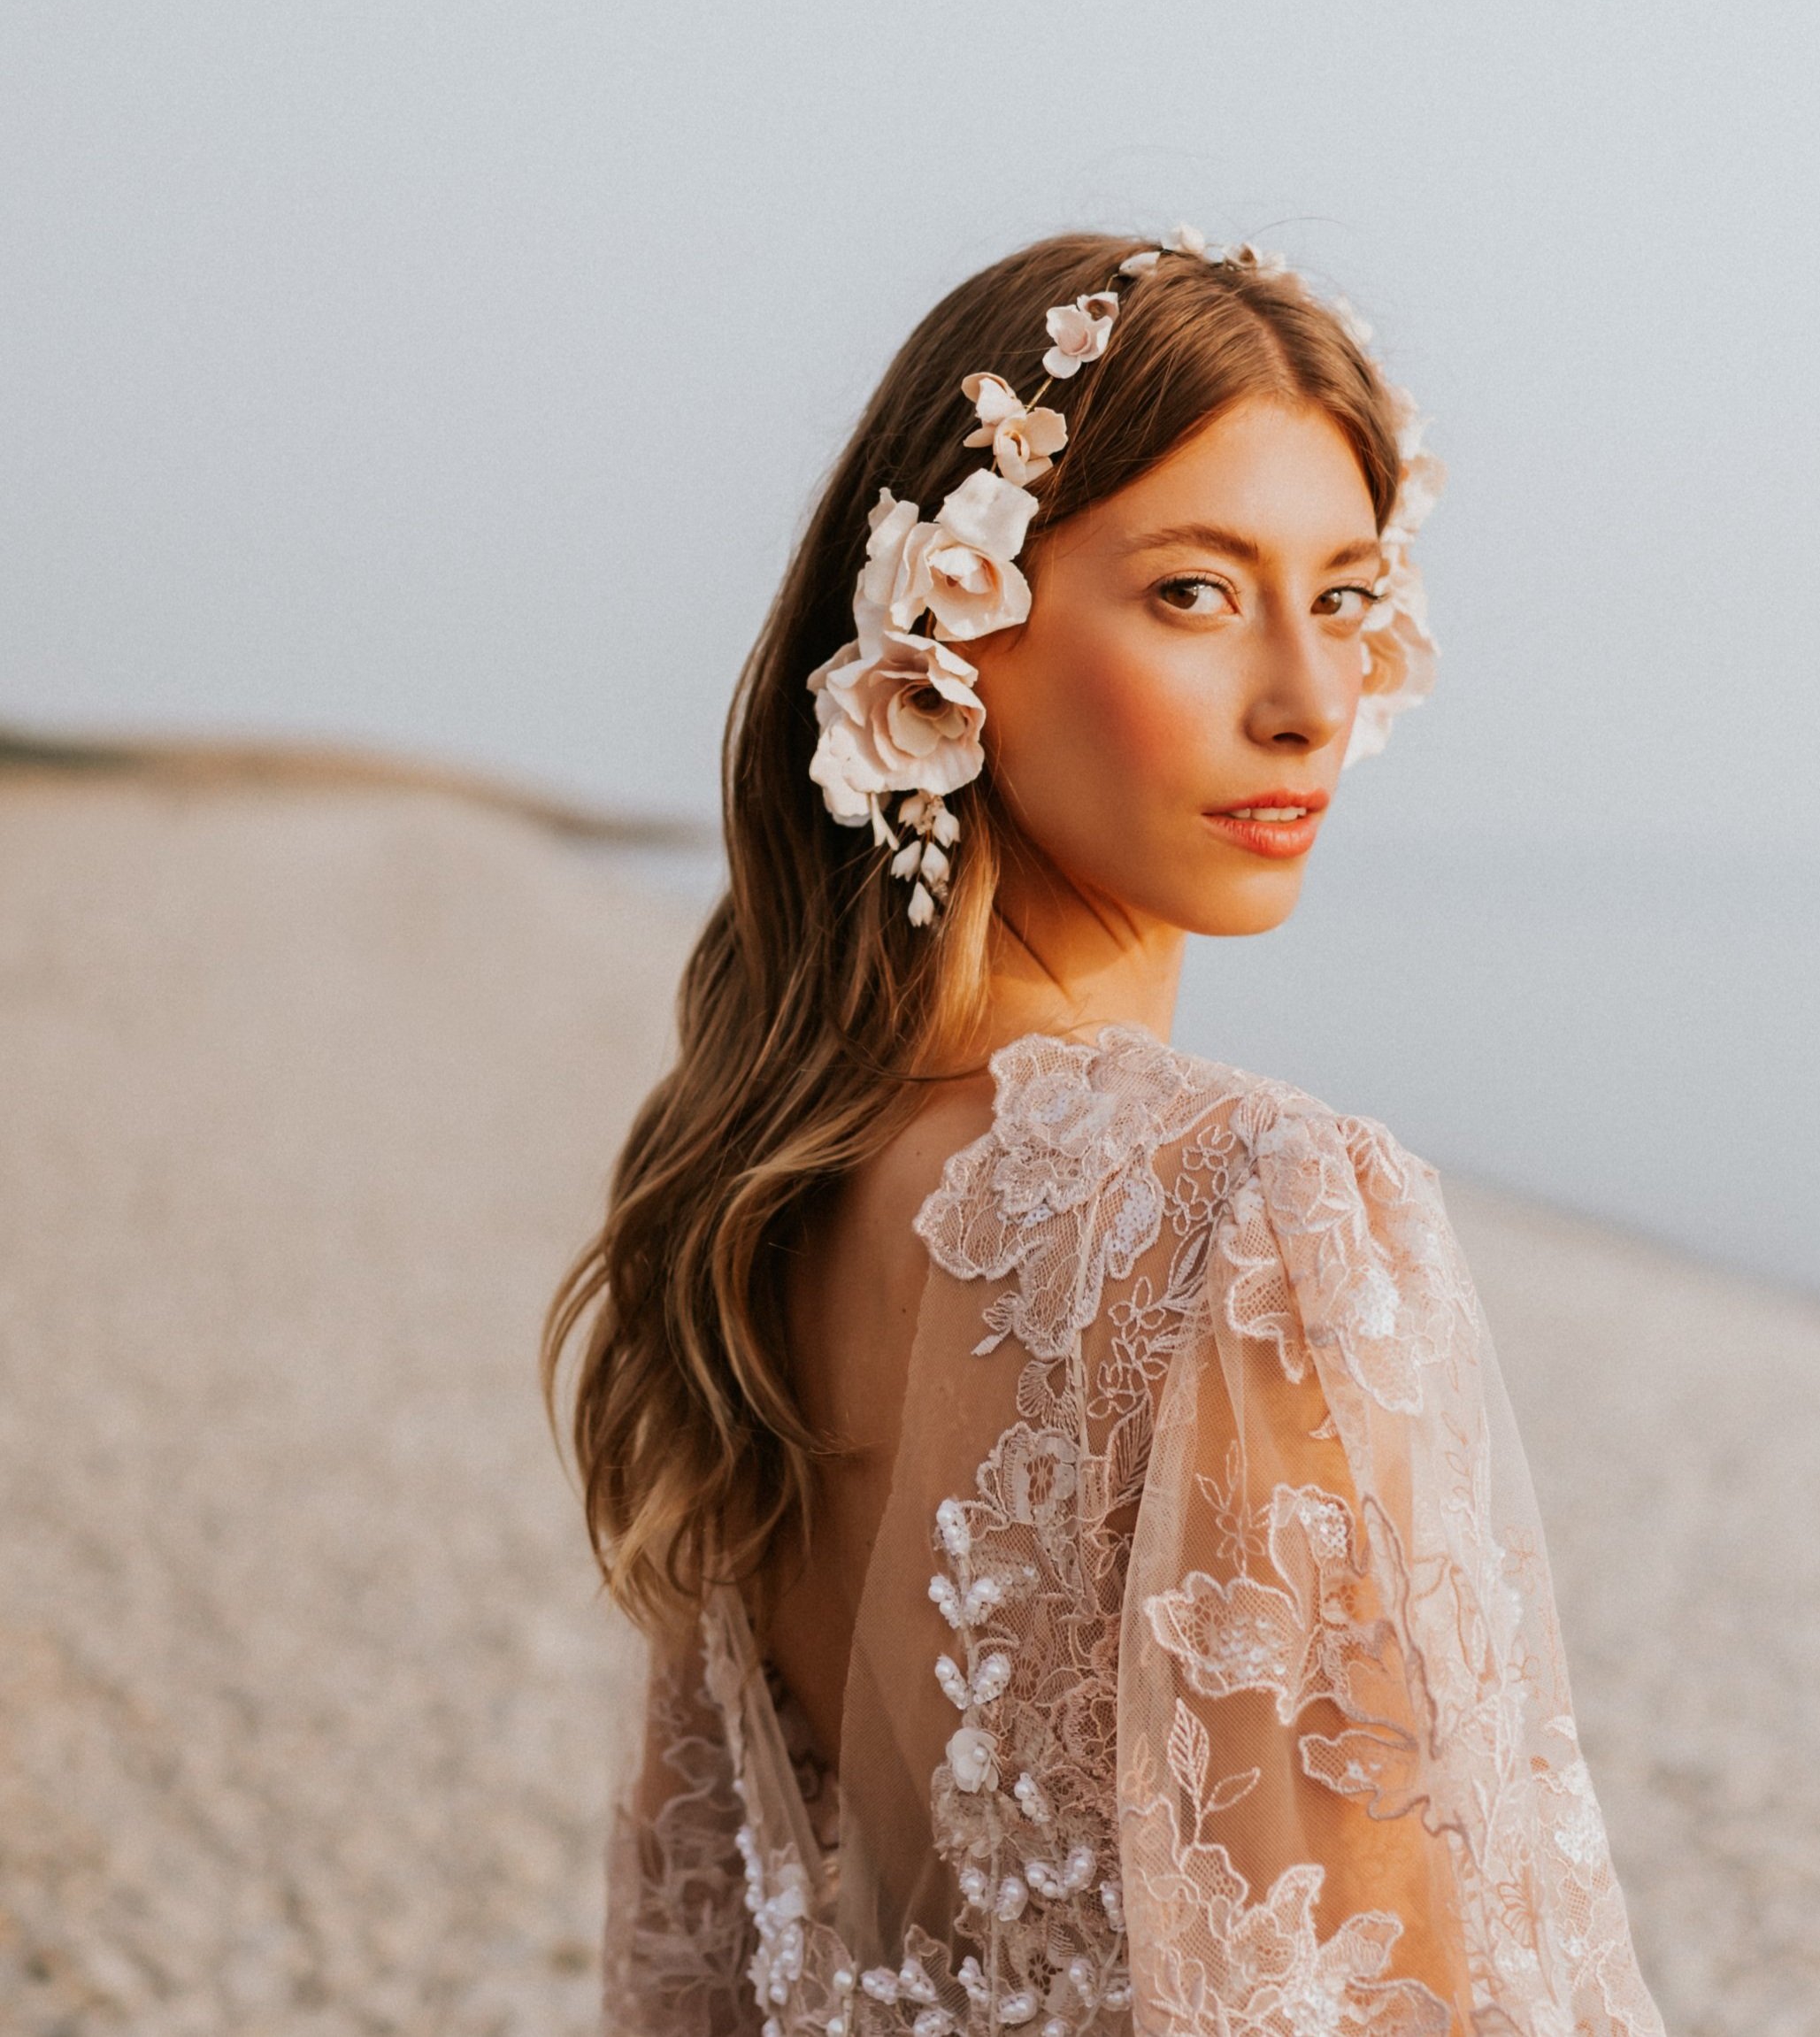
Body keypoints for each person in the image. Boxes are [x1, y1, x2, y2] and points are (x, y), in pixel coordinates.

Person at [545, 227, 1665, 2037]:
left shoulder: (757, 1180)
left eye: (1345, 596)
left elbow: (700, 1969)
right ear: (947, 632)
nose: (1310, 698)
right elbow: (1364, 1983)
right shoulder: (1259, 1209)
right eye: (1195, 594)